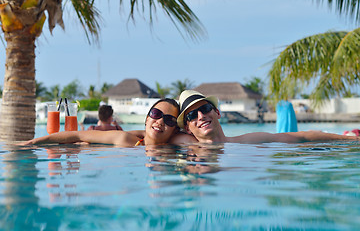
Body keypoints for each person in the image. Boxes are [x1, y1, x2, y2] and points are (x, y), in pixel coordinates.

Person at [174, 90, 360, 144]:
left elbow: (303, 136)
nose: (201, 116)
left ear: (217, 112)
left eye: (205, 108)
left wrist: (347, 139)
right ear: (187, 127)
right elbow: (151, 136)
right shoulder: (184, 145)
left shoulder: (247, 141)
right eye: (191, 115)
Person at [21, 98, 180, 147]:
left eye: (169, 120)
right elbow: (77, 133)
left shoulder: (179, 143)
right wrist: (33, 142)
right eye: (156, 114)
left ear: (176, 129)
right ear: (147, 118)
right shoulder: (124, 139)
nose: (160, 121)